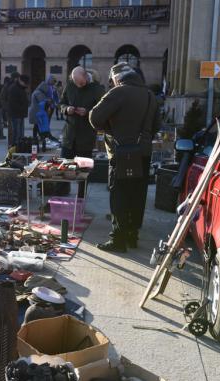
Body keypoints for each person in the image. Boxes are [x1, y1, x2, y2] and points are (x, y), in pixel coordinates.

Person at [89, 62, 161, 253]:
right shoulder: (149, 95)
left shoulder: (118, 92)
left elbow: (94, 117)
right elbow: (157, 125)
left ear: (117, 78)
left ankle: (118, 239)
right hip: (143, 153)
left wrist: (113, 132)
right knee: (137, 195)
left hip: (121, 153)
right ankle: (132, 236)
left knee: (119, 195)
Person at [59, 66, 105, 196]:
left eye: (81, 83)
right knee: (63, 168)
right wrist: (66, 109)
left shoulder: (97, 89)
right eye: (76, 83)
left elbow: (102, 111)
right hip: (69, 136)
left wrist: (88, 112)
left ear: (86, 77)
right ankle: (61, 192)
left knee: (83, 171)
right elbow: (61, 103)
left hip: (86, 137)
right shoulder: (70, 86)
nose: (79, 86)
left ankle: (81, 197)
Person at [28, 75, 60, 144]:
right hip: (37, 112)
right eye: (52, 81)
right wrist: (50, 101)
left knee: (39, 125)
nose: (53, 83)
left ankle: (42, 137)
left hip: (40, 111)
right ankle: (40, 138)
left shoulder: (44, 90)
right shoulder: (38, 92)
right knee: (38, 125)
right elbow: (43, 101)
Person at [8, 74, 30, 147]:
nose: (26, 84)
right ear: (20, 80)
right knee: (16, 131)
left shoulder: (22, 87)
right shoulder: (14, 88)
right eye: (25, 82)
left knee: (20, 132)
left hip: (21, 113)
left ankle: (20, 145)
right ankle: (15, 146)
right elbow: (12, 103)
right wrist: (21, 108)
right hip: (16, 114)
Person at [1, 71, 20, 146]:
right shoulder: (7, 86)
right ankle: (11, 143)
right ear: (15, 78)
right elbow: (2, 98)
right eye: (18, 78)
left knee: (18, 128)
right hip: (10, 110)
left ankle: (17, 142)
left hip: (18, 110)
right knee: (11, 128)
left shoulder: (19, 86)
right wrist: (7, 107)